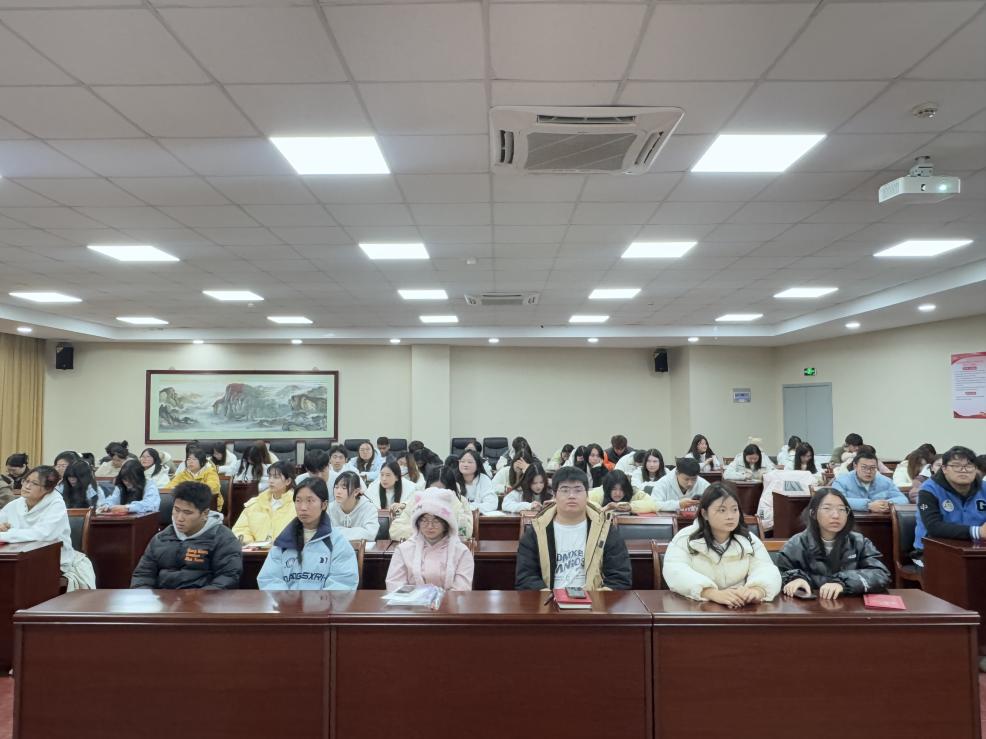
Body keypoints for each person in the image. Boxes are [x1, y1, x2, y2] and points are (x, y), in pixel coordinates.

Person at [515, 466, 631, 591]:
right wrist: (549, 597)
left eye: (578, 490)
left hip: (593, 599)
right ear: (554, 495)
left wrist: (597, 598)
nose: (571, 496)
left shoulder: (605, 529)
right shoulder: (537, 530)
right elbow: (525, 578)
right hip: (549, 599)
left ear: (587, 494)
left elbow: (620, 577)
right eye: (565, 490)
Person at [663, 483, 781, 605]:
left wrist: (757, 590)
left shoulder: (748, 538)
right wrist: (710, 593)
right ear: (705, 514)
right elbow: (675, 571)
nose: (730, 516)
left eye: (734, 509)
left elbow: (766, 568)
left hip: (740, 604)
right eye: (722, 510)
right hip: (697, 605)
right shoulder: (685, 538)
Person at [778, 488, 891, 599]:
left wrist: (843, 582)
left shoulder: (859, 542)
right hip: (810, 606)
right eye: (827, 508)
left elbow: (880, 575)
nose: (836, 515)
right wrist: (795, 579)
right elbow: (779, 574)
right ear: (813, 513)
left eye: (841, 509)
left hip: (849, 605)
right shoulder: (795, 545)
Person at [0, 465, 96, 590]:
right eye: (26, 481)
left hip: (52, 559)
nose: (27, 486)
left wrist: (6, 534)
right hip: (19, 556)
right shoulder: (15, 504)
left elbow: (42, 534)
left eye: (34, 483)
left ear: (48, 488)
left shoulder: (56, 505)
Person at [131, 481, 242, 589]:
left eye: (187, 513)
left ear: (205, 514)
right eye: (176, 510)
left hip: (202, 599)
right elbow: (143, 575)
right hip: (164, 599)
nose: (179, 518)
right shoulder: (161, 538)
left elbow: (228, 577)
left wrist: (201, 598)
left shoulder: (223, 539)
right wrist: (145, 597)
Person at [257, 477, 359, 590]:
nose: (303, 507)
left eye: (310, 501)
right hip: (287, 601)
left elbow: (343, 583)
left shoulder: (336, 541)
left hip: (324, 601)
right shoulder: (283, 540)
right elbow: (269, 579)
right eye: (298, 501)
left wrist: (318, 601)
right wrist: (287, 599)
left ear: (324, 505)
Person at [385, 488, 474, 591]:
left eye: (436, 521)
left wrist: (439, 598)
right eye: (424, 521)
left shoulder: (461, 551)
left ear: (446, 523)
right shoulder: (404, 549)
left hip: (449, 601)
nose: (430, 526)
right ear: (417, 523)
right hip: (412, 601)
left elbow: (462, 589)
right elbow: (394, 584)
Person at [913, 446, 986, 558]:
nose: (964, 470)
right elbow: (933, 527)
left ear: (975, 468)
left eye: (969, 466)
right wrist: (978, 532)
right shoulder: (929, 489)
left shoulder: (984, 488)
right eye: (956, 466)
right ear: (944, 469)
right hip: (933, 551)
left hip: (977, 549)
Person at [390, 465, 473, 540]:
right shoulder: (417, 501)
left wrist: (454, 503)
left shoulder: (460, 502)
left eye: (441, 491)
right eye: (432, 490)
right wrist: (425, 532)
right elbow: (395, 530)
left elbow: (465, 534)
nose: (435, 494)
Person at [232, 460, 296, 545]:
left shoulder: (297, 505)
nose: (271, 481)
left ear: (288, 481)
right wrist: (251, 544)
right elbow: (240, 529)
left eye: (276, 477)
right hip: (255, 551)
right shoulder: (256, 503)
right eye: (270, 476)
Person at [832, 450, 907, 513]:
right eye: (864, 467)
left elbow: (903, 499)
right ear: (855, 466)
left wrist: (887, 503)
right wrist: (868, 505)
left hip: (881, 521)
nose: (868, 471)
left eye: (872, 468)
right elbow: (837, 501)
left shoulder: (886, 481)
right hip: (852, 521)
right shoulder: (841, 481)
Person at [642, 457, 710, 512]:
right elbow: (655, 504)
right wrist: (678, 504)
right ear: (677, 473)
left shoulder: (703, 484)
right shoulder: (664, 483)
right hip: (669, 521)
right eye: (686, 479)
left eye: (694, 479)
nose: (690, 483)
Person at [328, 470, 379, 541]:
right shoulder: (329, 509)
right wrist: (359, 531)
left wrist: (337, 532)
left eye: (344, 488)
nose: (338, 492)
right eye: (336, 487)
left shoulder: (369, 508)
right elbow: (326, 533)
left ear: (356, 491)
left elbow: (370, 534)